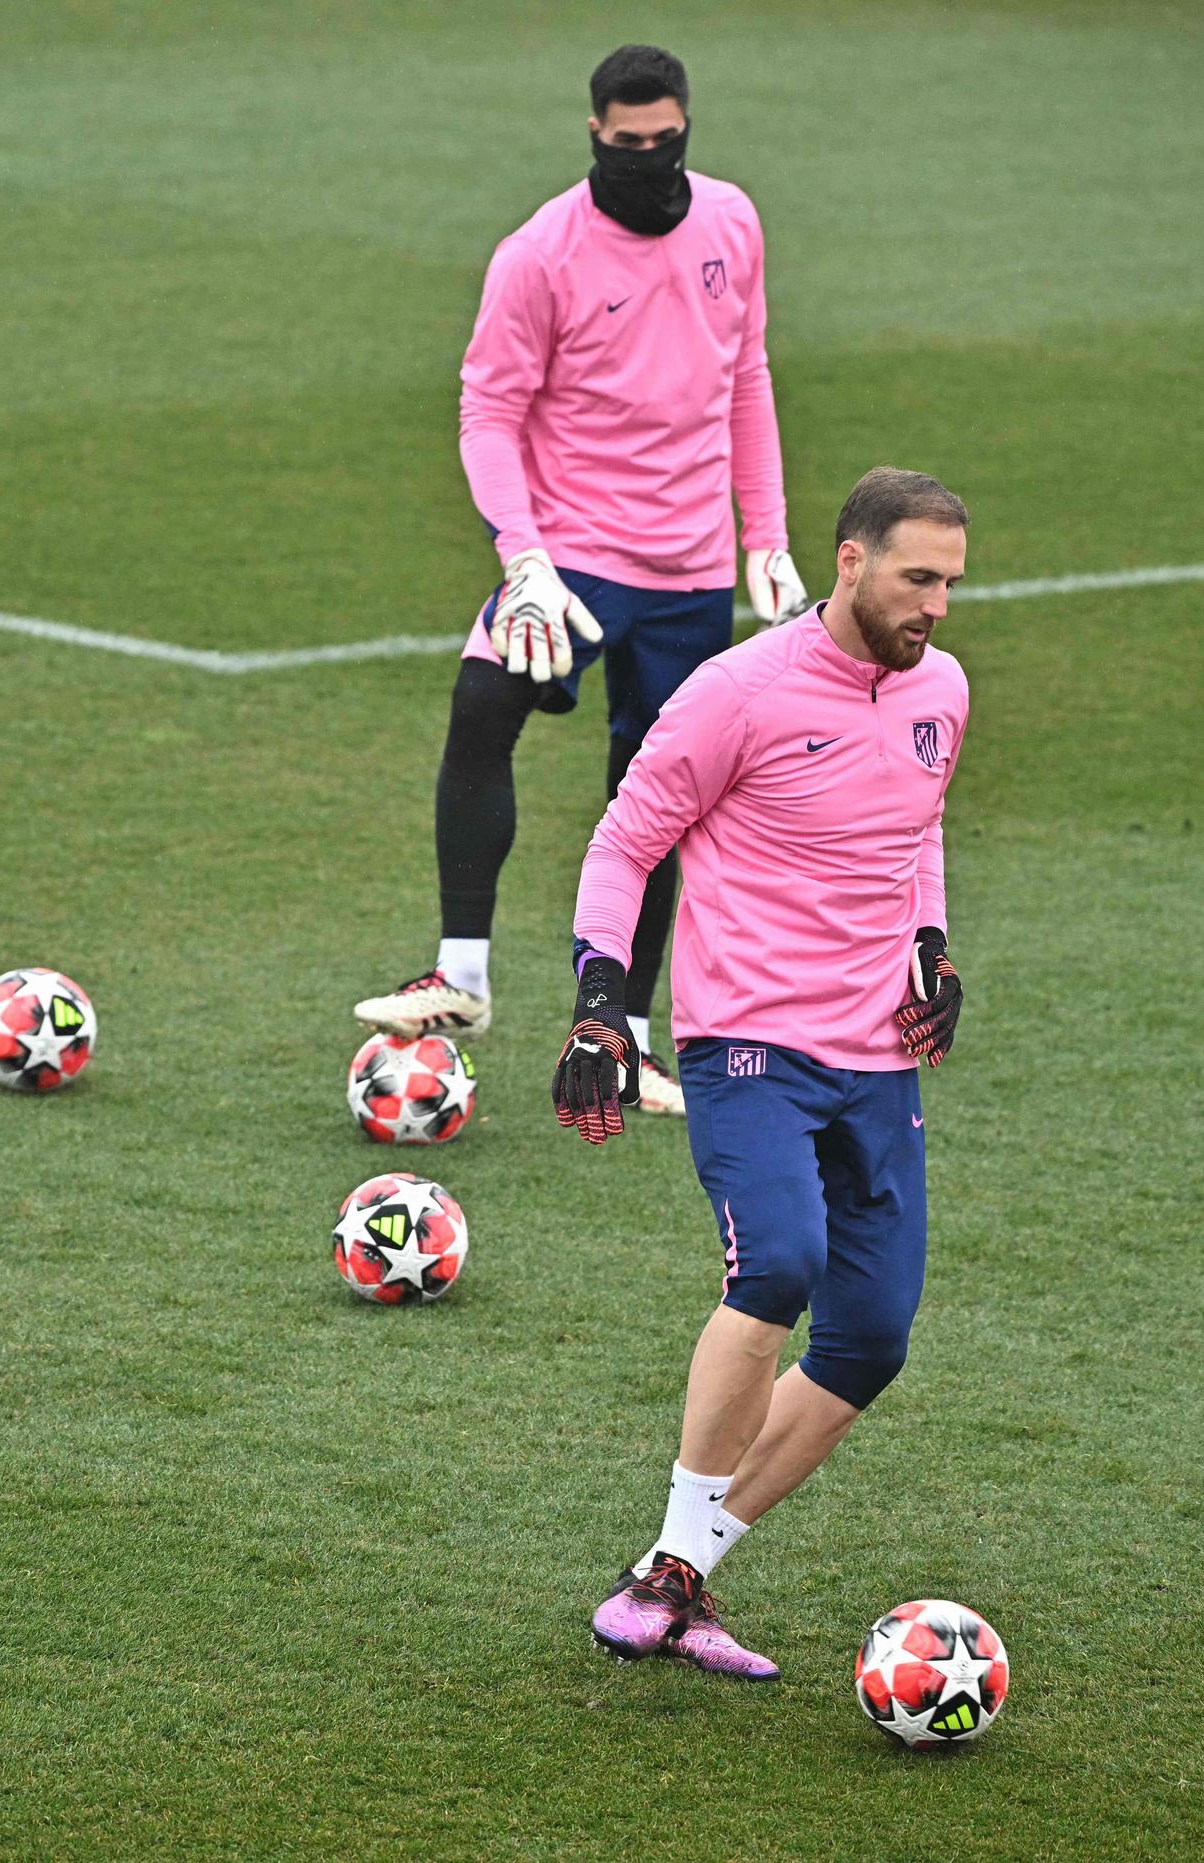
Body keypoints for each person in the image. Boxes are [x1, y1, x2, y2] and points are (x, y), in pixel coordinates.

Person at [552, 468, 971, 1679]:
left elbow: (919, 824)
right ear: (851, 561)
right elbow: (625, 841)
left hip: (878, 1056)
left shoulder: (942, 688)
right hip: (747, 1044)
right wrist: (600, 1004)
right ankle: (672, 1566)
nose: (937, 605)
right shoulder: (737, 692)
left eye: (951, 582)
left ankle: (676, 1573)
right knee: (778, 1262)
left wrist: (932, 944)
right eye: (918, 578)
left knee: (870, 1339)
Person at [354, 42, 809, 1115]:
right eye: (629, 142)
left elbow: (746, 378)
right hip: (572, 558)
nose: (651, 158)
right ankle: (462, 977)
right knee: (482, 705)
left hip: (690, 570)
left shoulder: (732, 223)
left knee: (656, 796)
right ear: (596, 134)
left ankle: (625, 1038)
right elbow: (487, 412)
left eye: (667, 140)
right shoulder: (541, 254)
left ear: (685, 127)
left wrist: (767, 535)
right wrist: (521, 556)